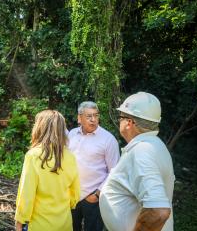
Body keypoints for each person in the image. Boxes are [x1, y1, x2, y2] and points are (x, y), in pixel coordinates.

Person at [99, 92, 175, 231]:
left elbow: (158, 212)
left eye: (120, 117)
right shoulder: (154, 145)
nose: (119, 121)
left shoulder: (142, 151)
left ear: (129, 122)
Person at [15, 110, 80, 231]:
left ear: (40, 128)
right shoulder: (70, 156)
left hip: (40, 224)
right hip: (64, 223)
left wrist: (20, 221)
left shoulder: (33, 156)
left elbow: (26, 195)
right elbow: (75, 194)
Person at [68, 101, 120, 231]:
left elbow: (115, 171)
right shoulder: (72, 134)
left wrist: (97, 194)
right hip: (71, 196)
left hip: (92, 198)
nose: (93, 120)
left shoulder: (108, 139)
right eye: (89, 116)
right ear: (79, 118)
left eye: (96, 116)